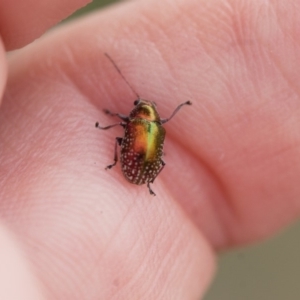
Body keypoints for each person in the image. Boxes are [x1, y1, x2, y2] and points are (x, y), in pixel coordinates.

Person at [0, 0, 299, 299]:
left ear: (140, 114)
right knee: (133, 144)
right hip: (145, 168)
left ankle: (121, 167)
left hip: (135, 164)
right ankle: (146, 181)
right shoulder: (157, 126)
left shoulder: (139, 124)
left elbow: (121, 126)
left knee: (118, 136)